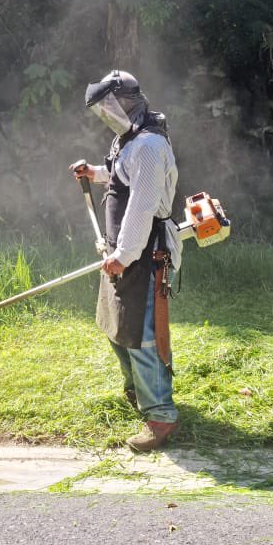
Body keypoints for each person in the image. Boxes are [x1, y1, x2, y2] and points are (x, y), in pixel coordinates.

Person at [71, 70, 183, 452]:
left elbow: (142, 206)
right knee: (117, 328)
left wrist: (123, 256)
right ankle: (138, 389)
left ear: (127, 102)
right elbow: (123, 177)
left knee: (142, 337)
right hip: (123, 253)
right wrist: (96, 174)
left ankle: (161, 418)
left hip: (143, 254)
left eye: (108, 106)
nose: (105, 114)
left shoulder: (149, 145)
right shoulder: (131, 141)